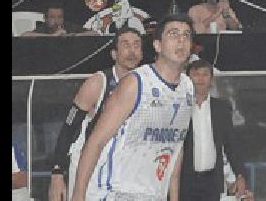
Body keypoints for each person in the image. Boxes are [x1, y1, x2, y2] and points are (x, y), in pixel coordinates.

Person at [70, 15, 197, 201]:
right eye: (173, 34)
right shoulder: (136, 83)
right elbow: (95, 141)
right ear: (157, 45)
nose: (181, 40)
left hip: (153, 193)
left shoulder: (187, 87)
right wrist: (78, 195)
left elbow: (175, 148)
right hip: (115, 191)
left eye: (187, 35)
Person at [48, 28, 144, 201]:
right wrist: (57, 173)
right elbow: (68, 129)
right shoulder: (98, 83)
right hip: (90, 169)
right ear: (114, 54)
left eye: (136, 45)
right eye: (126, 45)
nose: (132, 50)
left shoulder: (146, 84)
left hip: (125, 169)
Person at [180, 59, 250, 200]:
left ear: (211, 80)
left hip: (212, 181)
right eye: (195, 74)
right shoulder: (179, 107)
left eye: (205, 74)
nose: (200, 79)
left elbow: (231, 144)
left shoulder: (221, 108)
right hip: (184, 181)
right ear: (187, 79)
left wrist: (240, 175)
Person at [22, 5, 87, 37]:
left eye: (60, 17)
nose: (56, 20)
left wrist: (74, 35)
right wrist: (53, 36)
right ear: (45, 19)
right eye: (52, 17)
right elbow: (25, 35)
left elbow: (94, 33)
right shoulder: (43, 28)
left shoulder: (69, 26)